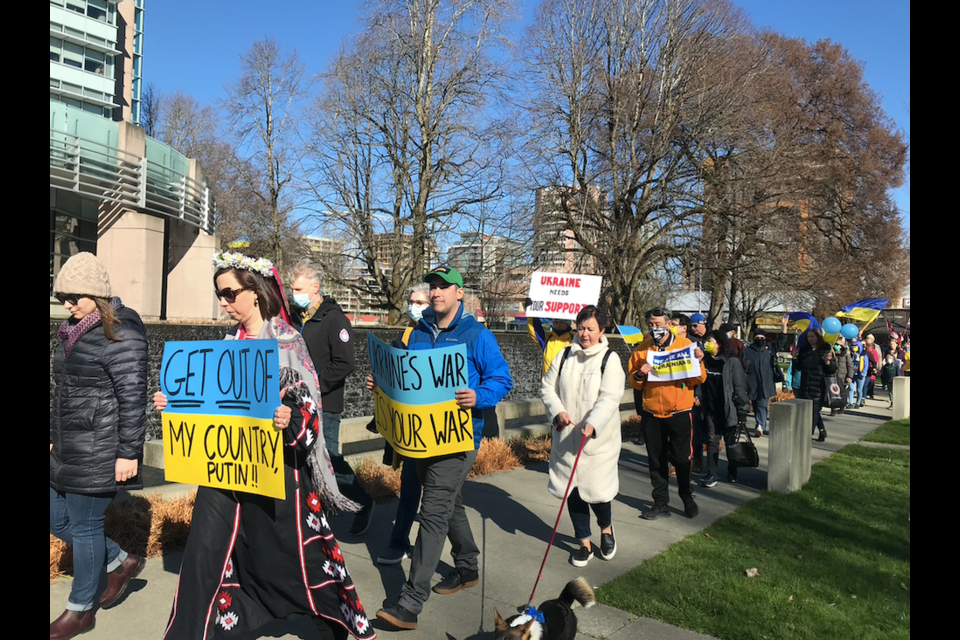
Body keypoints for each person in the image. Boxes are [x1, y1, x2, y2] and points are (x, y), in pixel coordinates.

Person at [156, 252, 374, 640]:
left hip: (278, 474)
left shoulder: (288, 342)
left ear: (254, 292)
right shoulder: (224, 346)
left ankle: (336, 622)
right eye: (218, 294)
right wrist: (174, 402)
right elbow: (211, 405)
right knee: (206, 553)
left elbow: (309, 407)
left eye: (228, 293)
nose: (222, 302)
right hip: (224, 471)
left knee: (297, 557)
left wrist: (290, 417)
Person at [371, 266, 513, 631]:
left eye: (443, 287)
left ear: (459, 293)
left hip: (459, 440)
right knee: (450, 505)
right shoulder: (418, 332)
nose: (436, 292)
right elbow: (406, 379)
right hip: (421, 440)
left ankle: (410, 602)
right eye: (432, 286)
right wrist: (382, 384)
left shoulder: (477, 335)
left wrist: (478, 395)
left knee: (433, 511)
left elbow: (502, 378)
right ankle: (467, 566)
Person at [50, 252, 148, 639]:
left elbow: (133, 397)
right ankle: (120, 560)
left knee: (86, 525)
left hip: (101, 448)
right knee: (56, 515)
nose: (69, 305)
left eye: (76, 297)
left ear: (98, 294)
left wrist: (128, 452)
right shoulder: (72, 331)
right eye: (63, 298)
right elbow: (66, 393)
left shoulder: (121, 331)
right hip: (70, 445)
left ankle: (80, 611)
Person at [289, 260, 375, 536]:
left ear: (316, 287)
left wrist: (315, 384)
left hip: (326, 403)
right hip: (298, 401)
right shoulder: (295, 317)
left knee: (330, 459)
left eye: (298, 289)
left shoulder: (335, 319)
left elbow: (344, 363)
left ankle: (362, 502)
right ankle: (314, 518)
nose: (294, 294)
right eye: (291, 289)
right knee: (303, 461)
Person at [541, 306, 626, 567]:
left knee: (598, 494)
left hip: (597, 443)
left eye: (590, 329)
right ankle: (584, 543)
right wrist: (558, 412)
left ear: (602, 330)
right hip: (567, 440)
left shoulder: (609, 359)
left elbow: (610, 397)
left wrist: (593, 423)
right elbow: (547, 387)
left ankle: (606, 528)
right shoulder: (565, 355)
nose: (585, 334)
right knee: (573, 493)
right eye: (581, 328)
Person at [629, 308, 707, 520]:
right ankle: (660, 502)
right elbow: (633, 382)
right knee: (656, 460)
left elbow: (699, 379)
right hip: (652, 412)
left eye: (658, 324)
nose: (655, 328)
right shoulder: (641, 351)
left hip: (680, 411)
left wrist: (698, 362)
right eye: (651, 325)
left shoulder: (686, 347)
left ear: (669, 325)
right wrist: (639, 373)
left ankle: (686, 495)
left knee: (682, 459)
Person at [376, 283, 430, 566]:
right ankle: (399, 541)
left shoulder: (442, 335)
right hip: (412, 424)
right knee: (409, 484)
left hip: (437, 425)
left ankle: (465, 557)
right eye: (412, 301)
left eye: (420, 302)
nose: (414, 306)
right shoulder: (405, 336)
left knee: (444, 498)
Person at [698, 330, 751, 486]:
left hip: (729, 409)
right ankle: (711, 474)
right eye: (706, 340)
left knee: (730, 443)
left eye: (710, 341)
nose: (707, 343)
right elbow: (699, 381)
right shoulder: (704, 361)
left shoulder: (732, 362)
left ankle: (732, 469)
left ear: (719, 344)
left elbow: (739, 386)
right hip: (710, 408)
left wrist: (743, 409)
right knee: (712, 441)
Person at [740, 319, 790, 437]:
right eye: (757, 337)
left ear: (765, 339)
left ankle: (760, 426)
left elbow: (782, 340)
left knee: (762, 404)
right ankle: (759, 423)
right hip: (752, 383)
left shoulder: (770, 349)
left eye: (762, 337)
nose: (759, 339)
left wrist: (784, 326)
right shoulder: (747, 351)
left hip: (766, 383)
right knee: (756, 405)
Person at [792, 328, 837, 442]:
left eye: (813, 337)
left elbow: (832, 370)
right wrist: (795, 358)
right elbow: (799, 367)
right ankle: (822, 430)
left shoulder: (826, 349)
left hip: (819, 386)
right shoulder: (805, 350)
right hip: (805, 385)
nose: (811, 339)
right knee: (811, 411)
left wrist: (828, 362)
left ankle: (807, 436)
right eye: (809, 337)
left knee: (813, 412)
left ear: (818, 337)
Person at [526, 300, 575, 378]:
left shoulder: (575, 339)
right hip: (547, 385)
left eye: (562, 322)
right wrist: (531, 313)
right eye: (556, 322)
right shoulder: (548, 338)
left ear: (567, 323)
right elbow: (534, 331)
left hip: (567, 385)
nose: (559, 325)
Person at [830, 335, 854, 416]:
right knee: (832, 393)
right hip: (833, 376)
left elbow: (850, 366)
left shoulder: (846, 354)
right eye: (836, 345)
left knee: (842, 393)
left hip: (843, 377)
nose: (838, 346)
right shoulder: (832, 353)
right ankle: (833, 409)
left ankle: (842, 407)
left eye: (839, 345)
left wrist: (849, 376)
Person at [848, 338, 867, 409]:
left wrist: (863, 374)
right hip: (852, 374)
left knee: (859, 390)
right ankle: (850, 403)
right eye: (852, 347)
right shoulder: (850, 355)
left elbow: (866, 365)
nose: (854, 348)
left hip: (860, 375)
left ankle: (858, 403)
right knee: (851, 388)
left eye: (855, 347)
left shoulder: (864, 355)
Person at [863, 334, 881, 401]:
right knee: (864, 384)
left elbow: (876, 359)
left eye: (869, 344)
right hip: (863, 368)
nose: (868, 345)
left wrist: (876, 367)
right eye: (867, 344)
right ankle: (863, 396)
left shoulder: (874, 351)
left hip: (870, 369)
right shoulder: (862, 350)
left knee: (870, 382)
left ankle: (870, 393)